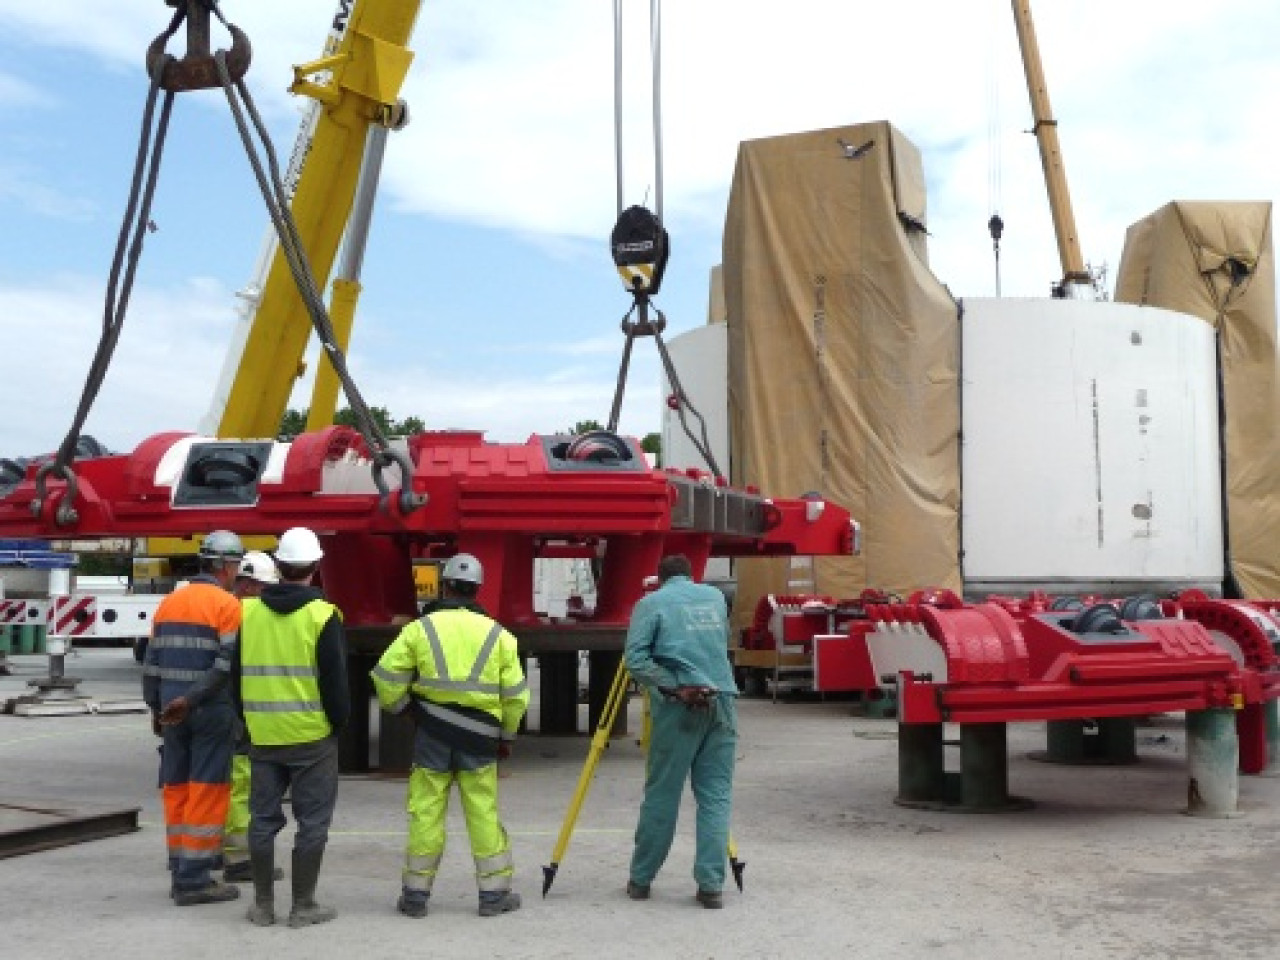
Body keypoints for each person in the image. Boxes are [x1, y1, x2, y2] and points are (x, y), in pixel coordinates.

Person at [370, 553, 529, 919]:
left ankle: (415, 896)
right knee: (482, 812)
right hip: (481, 739)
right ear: (477, 590)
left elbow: (385, 677)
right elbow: (516, 697)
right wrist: (506, 736)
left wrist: (404, 710)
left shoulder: (419, 630)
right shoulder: (500, 636)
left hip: (433, 735)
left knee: (426, 812)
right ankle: (493, 896)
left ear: (444, 586)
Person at [231, 527, 349, 928]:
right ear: (316, 568)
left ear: (278, 566)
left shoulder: (248, 614)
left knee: (261, 820)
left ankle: (263, 906)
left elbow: (235, 677)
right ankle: (303, 906)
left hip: (263, 734)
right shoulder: (322, 616)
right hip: (312, 735)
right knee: (312, 823)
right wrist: (339, 725)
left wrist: (245, 722)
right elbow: (336, 683)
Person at [623, 553, 738, 909]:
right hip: (722, 702)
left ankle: (641, 880)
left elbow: (636, 660)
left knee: (662, 795)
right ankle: (711, 886)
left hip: (679, 707)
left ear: (659, 580)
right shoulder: (715, 598)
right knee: (715, 799)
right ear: (691, 576)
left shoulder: (650, 604)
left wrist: (673, 685)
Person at [145, 529, 245, 907]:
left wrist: (157, 708)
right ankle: (195, 879)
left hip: (172, 710)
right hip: (207, 709)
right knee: (207, 788)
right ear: (223, 565)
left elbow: (151, 664)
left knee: (176, 787)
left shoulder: (170, 603)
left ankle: (178, 864)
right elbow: (224, 666)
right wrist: (191, 700)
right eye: (235, 564)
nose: (236, 571)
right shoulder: (227, 605)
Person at [222, 551, 280, 885]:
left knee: (217, 781)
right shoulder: (255, 614)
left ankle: (211, 850)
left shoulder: (223, 607)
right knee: (241, 784)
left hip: (217, 706)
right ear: (255, 585)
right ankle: (239, 858)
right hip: (242, 708)